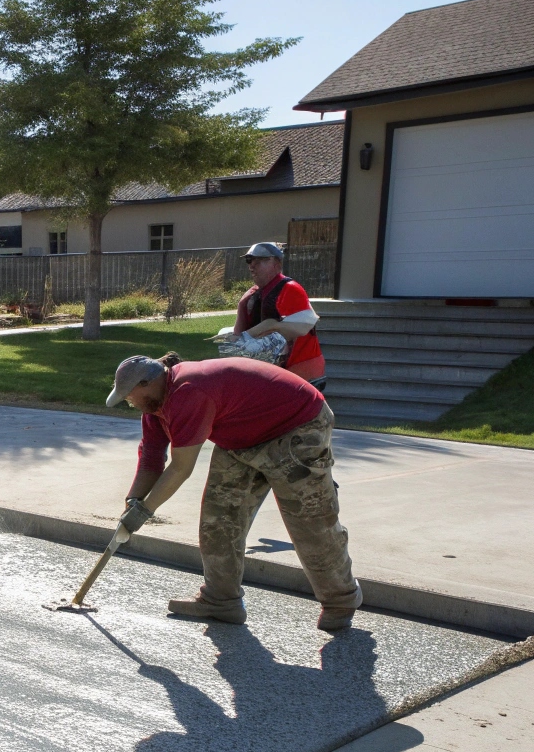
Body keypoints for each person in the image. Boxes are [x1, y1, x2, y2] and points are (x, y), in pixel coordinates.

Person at [106, 352, 362, 631]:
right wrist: (133, 502)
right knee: (219, 521)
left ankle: (341, 599)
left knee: (310, 522)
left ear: (147, 384)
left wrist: (144, 511)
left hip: (296, 426)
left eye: (130, 395)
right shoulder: (154, 408)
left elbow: (181, 468)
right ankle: (221, 600)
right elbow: (152, 458)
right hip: (241, 437)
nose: (130, 402)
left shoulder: (188, 391)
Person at [221, 242, 327, 390]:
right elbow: (238, 337)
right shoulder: (249, 297)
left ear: (277, 264)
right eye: (250, 261)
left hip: (301, 373)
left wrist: (272, 325)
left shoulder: (290, 290)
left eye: (260, 261)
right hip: (271, 376)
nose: (252, 266)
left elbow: (304, 326)